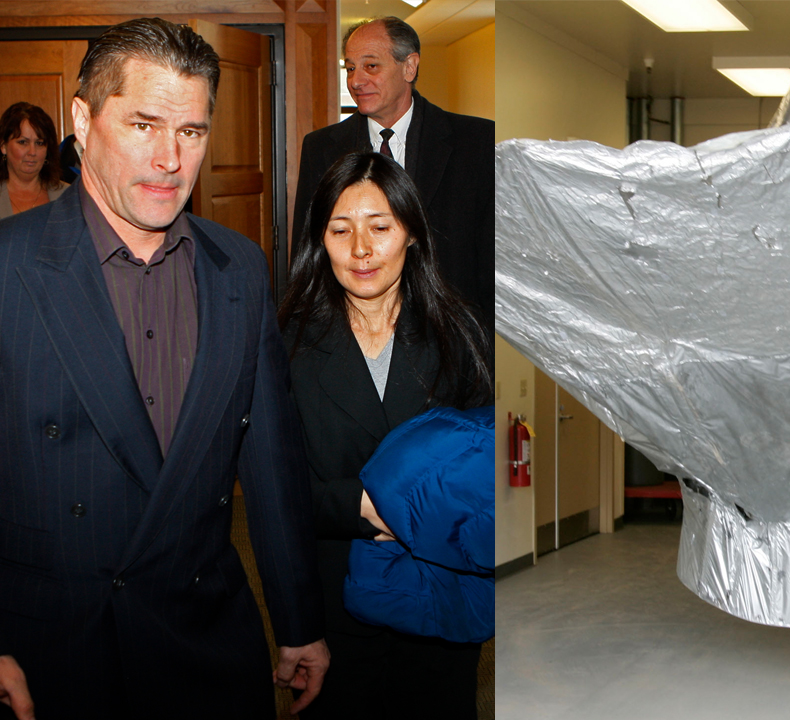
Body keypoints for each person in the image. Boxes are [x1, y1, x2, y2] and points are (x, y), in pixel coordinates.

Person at [0, 18, 328, 720]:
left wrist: (299, 621)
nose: (170, 160)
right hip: (51, 654)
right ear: (83, 122)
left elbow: (270, 460)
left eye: (191, 132)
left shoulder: (238, 267)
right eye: (144, 124)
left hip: (206, 643)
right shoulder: (8, 265)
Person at [278, 151, 493, 719]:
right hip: (335, 601)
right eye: (340, 230)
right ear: (319, 240)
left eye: (381, 228)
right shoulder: (288, 344)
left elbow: (491, 467)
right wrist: (363, 507)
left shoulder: (459, 333)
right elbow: (276, 486)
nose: (361, 250)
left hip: (441, 598)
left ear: (413, 234)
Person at [292, 16, 494, 332]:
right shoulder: (321, 148)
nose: (356, 81)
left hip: (450, 335)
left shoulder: (477, 142)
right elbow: (307, 254)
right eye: (350, 68)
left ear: (409, 67)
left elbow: (489, 260)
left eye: (370, 66)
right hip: (352, 336)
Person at [0, 102, 68, 218]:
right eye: (23, 142)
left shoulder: (69, 195)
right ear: (3, 146)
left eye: (39, 143)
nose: (32, 152)